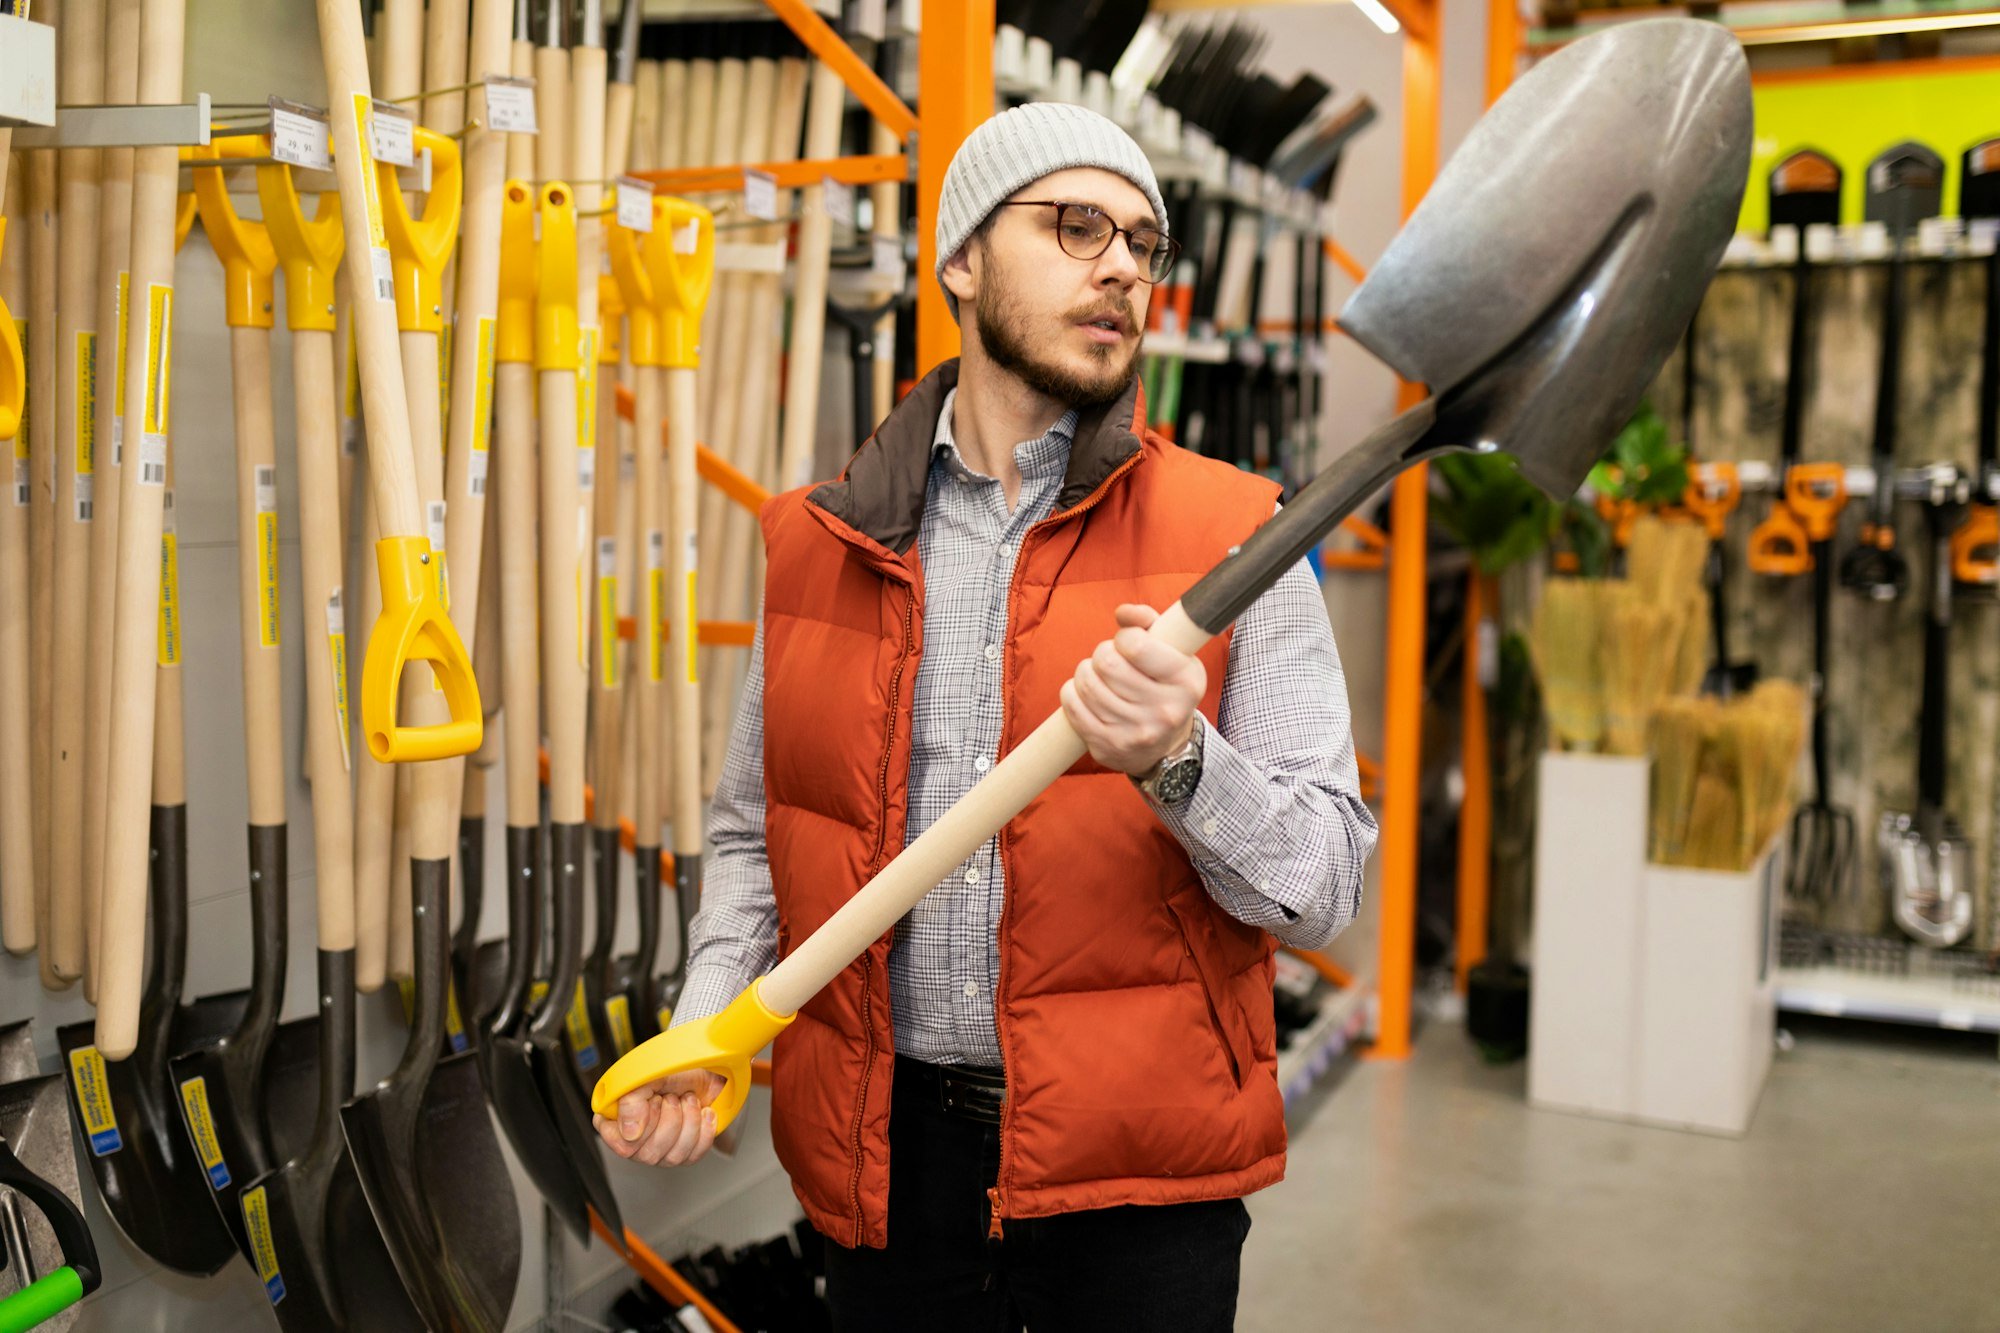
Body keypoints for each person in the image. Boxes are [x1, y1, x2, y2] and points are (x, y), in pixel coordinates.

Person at [594, 102, 1378, 1331]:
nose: (1120, 265)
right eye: (1074, 226)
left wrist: (1180, 764)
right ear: (959, 259)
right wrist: (708, 1025)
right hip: (883, 1169)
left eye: (1139, 241)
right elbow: (760, 835)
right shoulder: (820, 539)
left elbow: (1327, 883)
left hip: (1135, 1182)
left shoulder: (1235, 532)